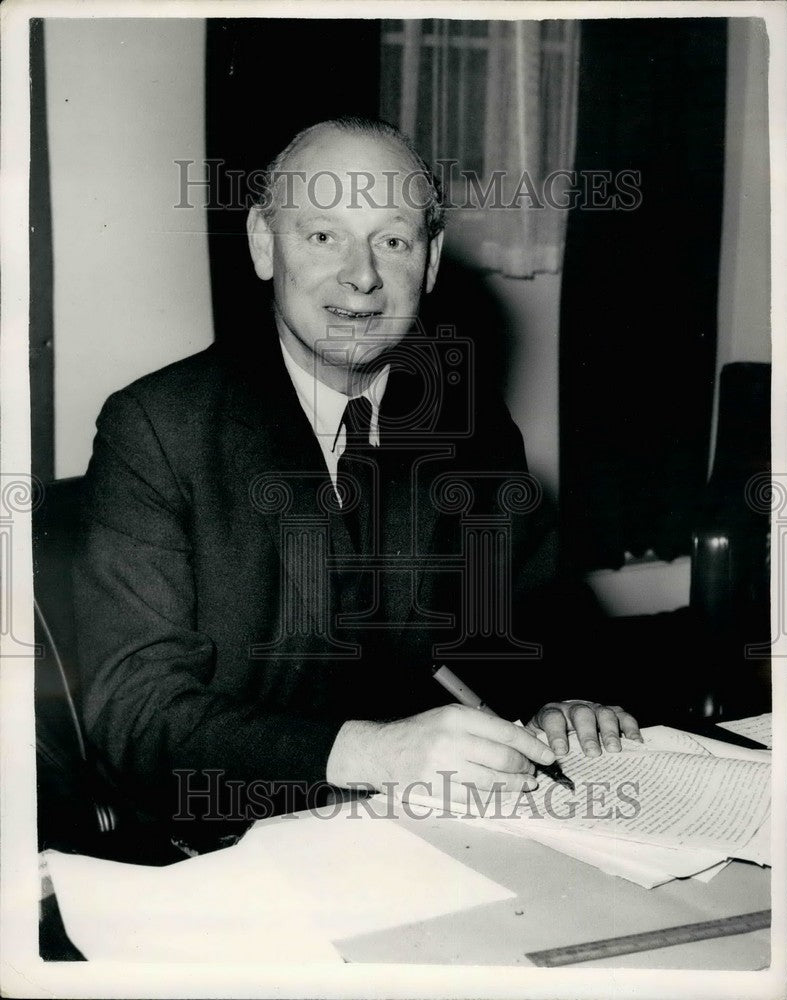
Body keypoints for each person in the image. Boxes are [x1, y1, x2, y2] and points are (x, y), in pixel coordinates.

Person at [74, 116, 641, 841]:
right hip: (225, 841)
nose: (364, 275)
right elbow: (136, 714)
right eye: (322, 235)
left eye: (394, 240)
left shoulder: (466, 421)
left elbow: (519, 626)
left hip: (422, 828)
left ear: (429, 264)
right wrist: (373, 751)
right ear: (261, 243)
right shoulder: (158, 428)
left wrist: (564, 699)